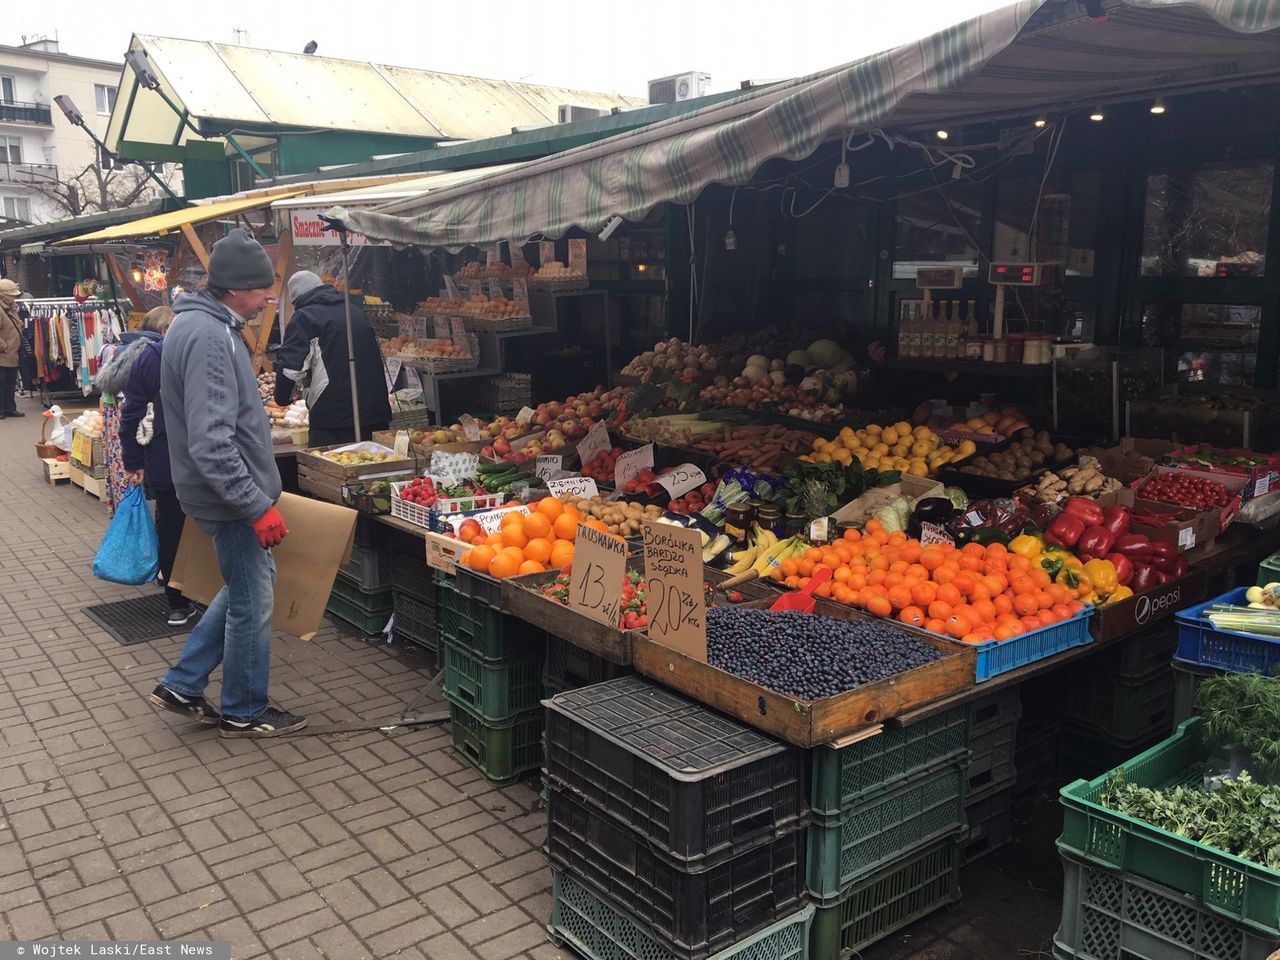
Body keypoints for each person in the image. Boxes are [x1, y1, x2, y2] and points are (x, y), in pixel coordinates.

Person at [149, 228, 305, 739]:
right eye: (263, 288)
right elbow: (213, 444)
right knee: (253, 601)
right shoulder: (212, 336)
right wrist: (255, 505)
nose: (268, 298)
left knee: (244, 588)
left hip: (215, 491)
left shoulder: (201, 325)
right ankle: (243, 708)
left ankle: (184, 682)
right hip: (227, 496)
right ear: (238, 287)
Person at [119, 306, 197, 627]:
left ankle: (177, 601)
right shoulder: (203, 353)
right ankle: (205, 591)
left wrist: (134, 461)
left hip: (165, 459)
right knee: (206, 527)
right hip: (202, 459)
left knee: (172, 526)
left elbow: (131, 414)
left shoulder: (148, 357)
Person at [274, 270, 391, 446]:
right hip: (375, 414)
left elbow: (291, 370)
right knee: (374, 468)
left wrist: (282, 397)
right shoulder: (354, 311)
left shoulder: (305, 318)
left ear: (296, 300)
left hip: (333, 419)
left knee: (331, 470)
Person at [95, 310, 166, 515]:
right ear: (163, 329)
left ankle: (124, 510)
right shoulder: (151, 354)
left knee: (128, 479)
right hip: (143, 426)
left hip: (121, 418)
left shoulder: (123, 349)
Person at [0, 277, 25, 418]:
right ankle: (2, 410)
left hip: (12, 354)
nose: (14, 298)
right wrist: (4, 346)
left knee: (10, 383)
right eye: (11, 295)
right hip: (3, 354)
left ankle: (10, 408)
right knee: (2, 383)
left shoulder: (10, 308)